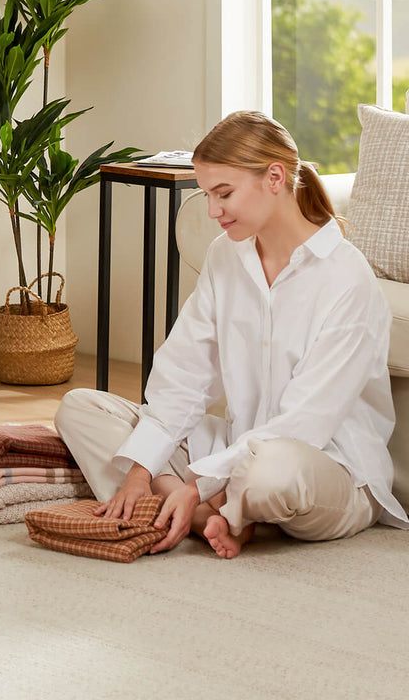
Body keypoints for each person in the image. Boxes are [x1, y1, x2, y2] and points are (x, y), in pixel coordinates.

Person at [56, 111, 408, 558]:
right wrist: (140, 471)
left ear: (275, 177)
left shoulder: (347, 277)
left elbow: (304, 425)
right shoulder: (226, 256)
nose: (213, 211)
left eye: (224, 193)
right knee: (81, 409)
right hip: (239, 446)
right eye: (207, 195)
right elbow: (182, 375)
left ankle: (195, 501)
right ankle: (204, 516)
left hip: (328, 468)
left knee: (271, 472)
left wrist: (201, 482)